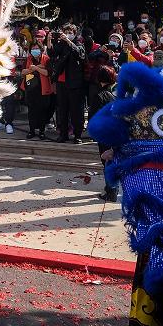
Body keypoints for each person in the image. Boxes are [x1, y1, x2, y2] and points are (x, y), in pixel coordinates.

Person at [86, 50, 118, 201]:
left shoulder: (99, 96)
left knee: (107, 161)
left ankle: (111, 191)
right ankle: (110, 189)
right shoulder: (115, 94)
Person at [51, 23, 87, 143]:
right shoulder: (61, 44)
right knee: (63, 110)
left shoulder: (79, 43)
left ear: (74, 33)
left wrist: (68, 41)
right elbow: (52, 54)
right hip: (62, 82)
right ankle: (63, 134)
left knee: (76, 111)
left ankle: (77, 135)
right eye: (66, 32)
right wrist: (49, 40)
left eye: (70, 32)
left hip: (75, 83)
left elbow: (80, 54)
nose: (68, 34)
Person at [21, 37, 52, 139]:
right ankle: (31, 131)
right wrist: (31, 69)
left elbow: (47, 73)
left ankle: (42, 131)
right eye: (33, 49)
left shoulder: (46, 59)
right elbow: (23, 72)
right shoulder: (28, 59)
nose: (35, 50)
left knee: (42, 111)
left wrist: (37, 68)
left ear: (41, 49)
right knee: (32, 111)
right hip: (31, 89)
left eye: (36, 48)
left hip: (42, 89)